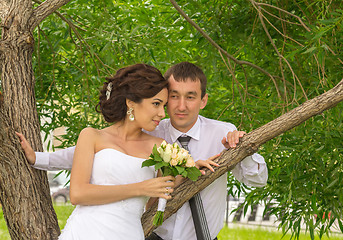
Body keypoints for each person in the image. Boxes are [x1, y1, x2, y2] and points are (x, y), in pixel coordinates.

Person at [18, 62, 268, 240]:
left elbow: (257, 180)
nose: (177, 107)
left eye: (190, 97)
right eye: (168, 99)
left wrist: (236, 151)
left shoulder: (210, 135)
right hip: (110, 231)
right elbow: (84, 161)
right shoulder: (147, 132)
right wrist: (37, 158)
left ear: (202, 100)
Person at [18, 63, 176, 239]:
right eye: (156, 104)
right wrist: (141, 188)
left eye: (164, 105)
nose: (162, 113)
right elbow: (78, 194)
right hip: (84, 232)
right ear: (131, 102)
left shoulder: (160, 147)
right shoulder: (91, 136)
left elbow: (163, 192)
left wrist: (188, 167)